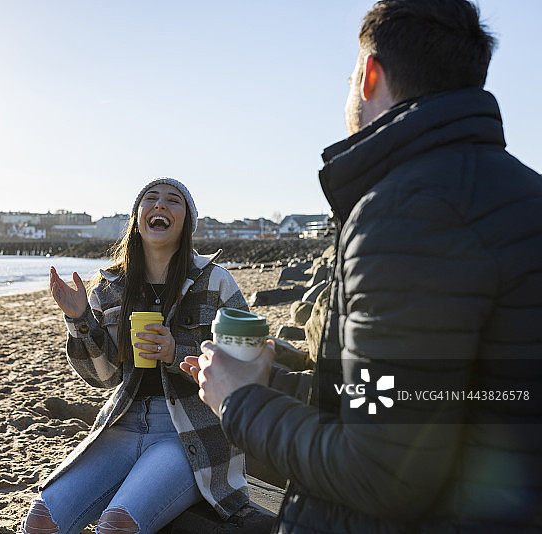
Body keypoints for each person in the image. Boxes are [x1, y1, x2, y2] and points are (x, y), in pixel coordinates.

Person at [182, 1, 542, 532]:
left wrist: (239, 402)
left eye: (351, 75)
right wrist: (272, 382)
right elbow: (425, 401)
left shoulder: (408, 211)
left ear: (369, 74)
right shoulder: (517, 193)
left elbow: (384, 473)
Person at [22, 177, 250, 534]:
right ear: (137, 217)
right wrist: (79, 319)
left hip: (190, 432)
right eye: (151, 199)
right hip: (122, 424)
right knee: (40, 521)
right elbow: (103, 378)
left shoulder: (216, 282)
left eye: (173, 201)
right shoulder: (112, 286)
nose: (160, 205)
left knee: (117, 526)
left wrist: (177, 353)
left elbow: (245, 366)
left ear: (187, 221)